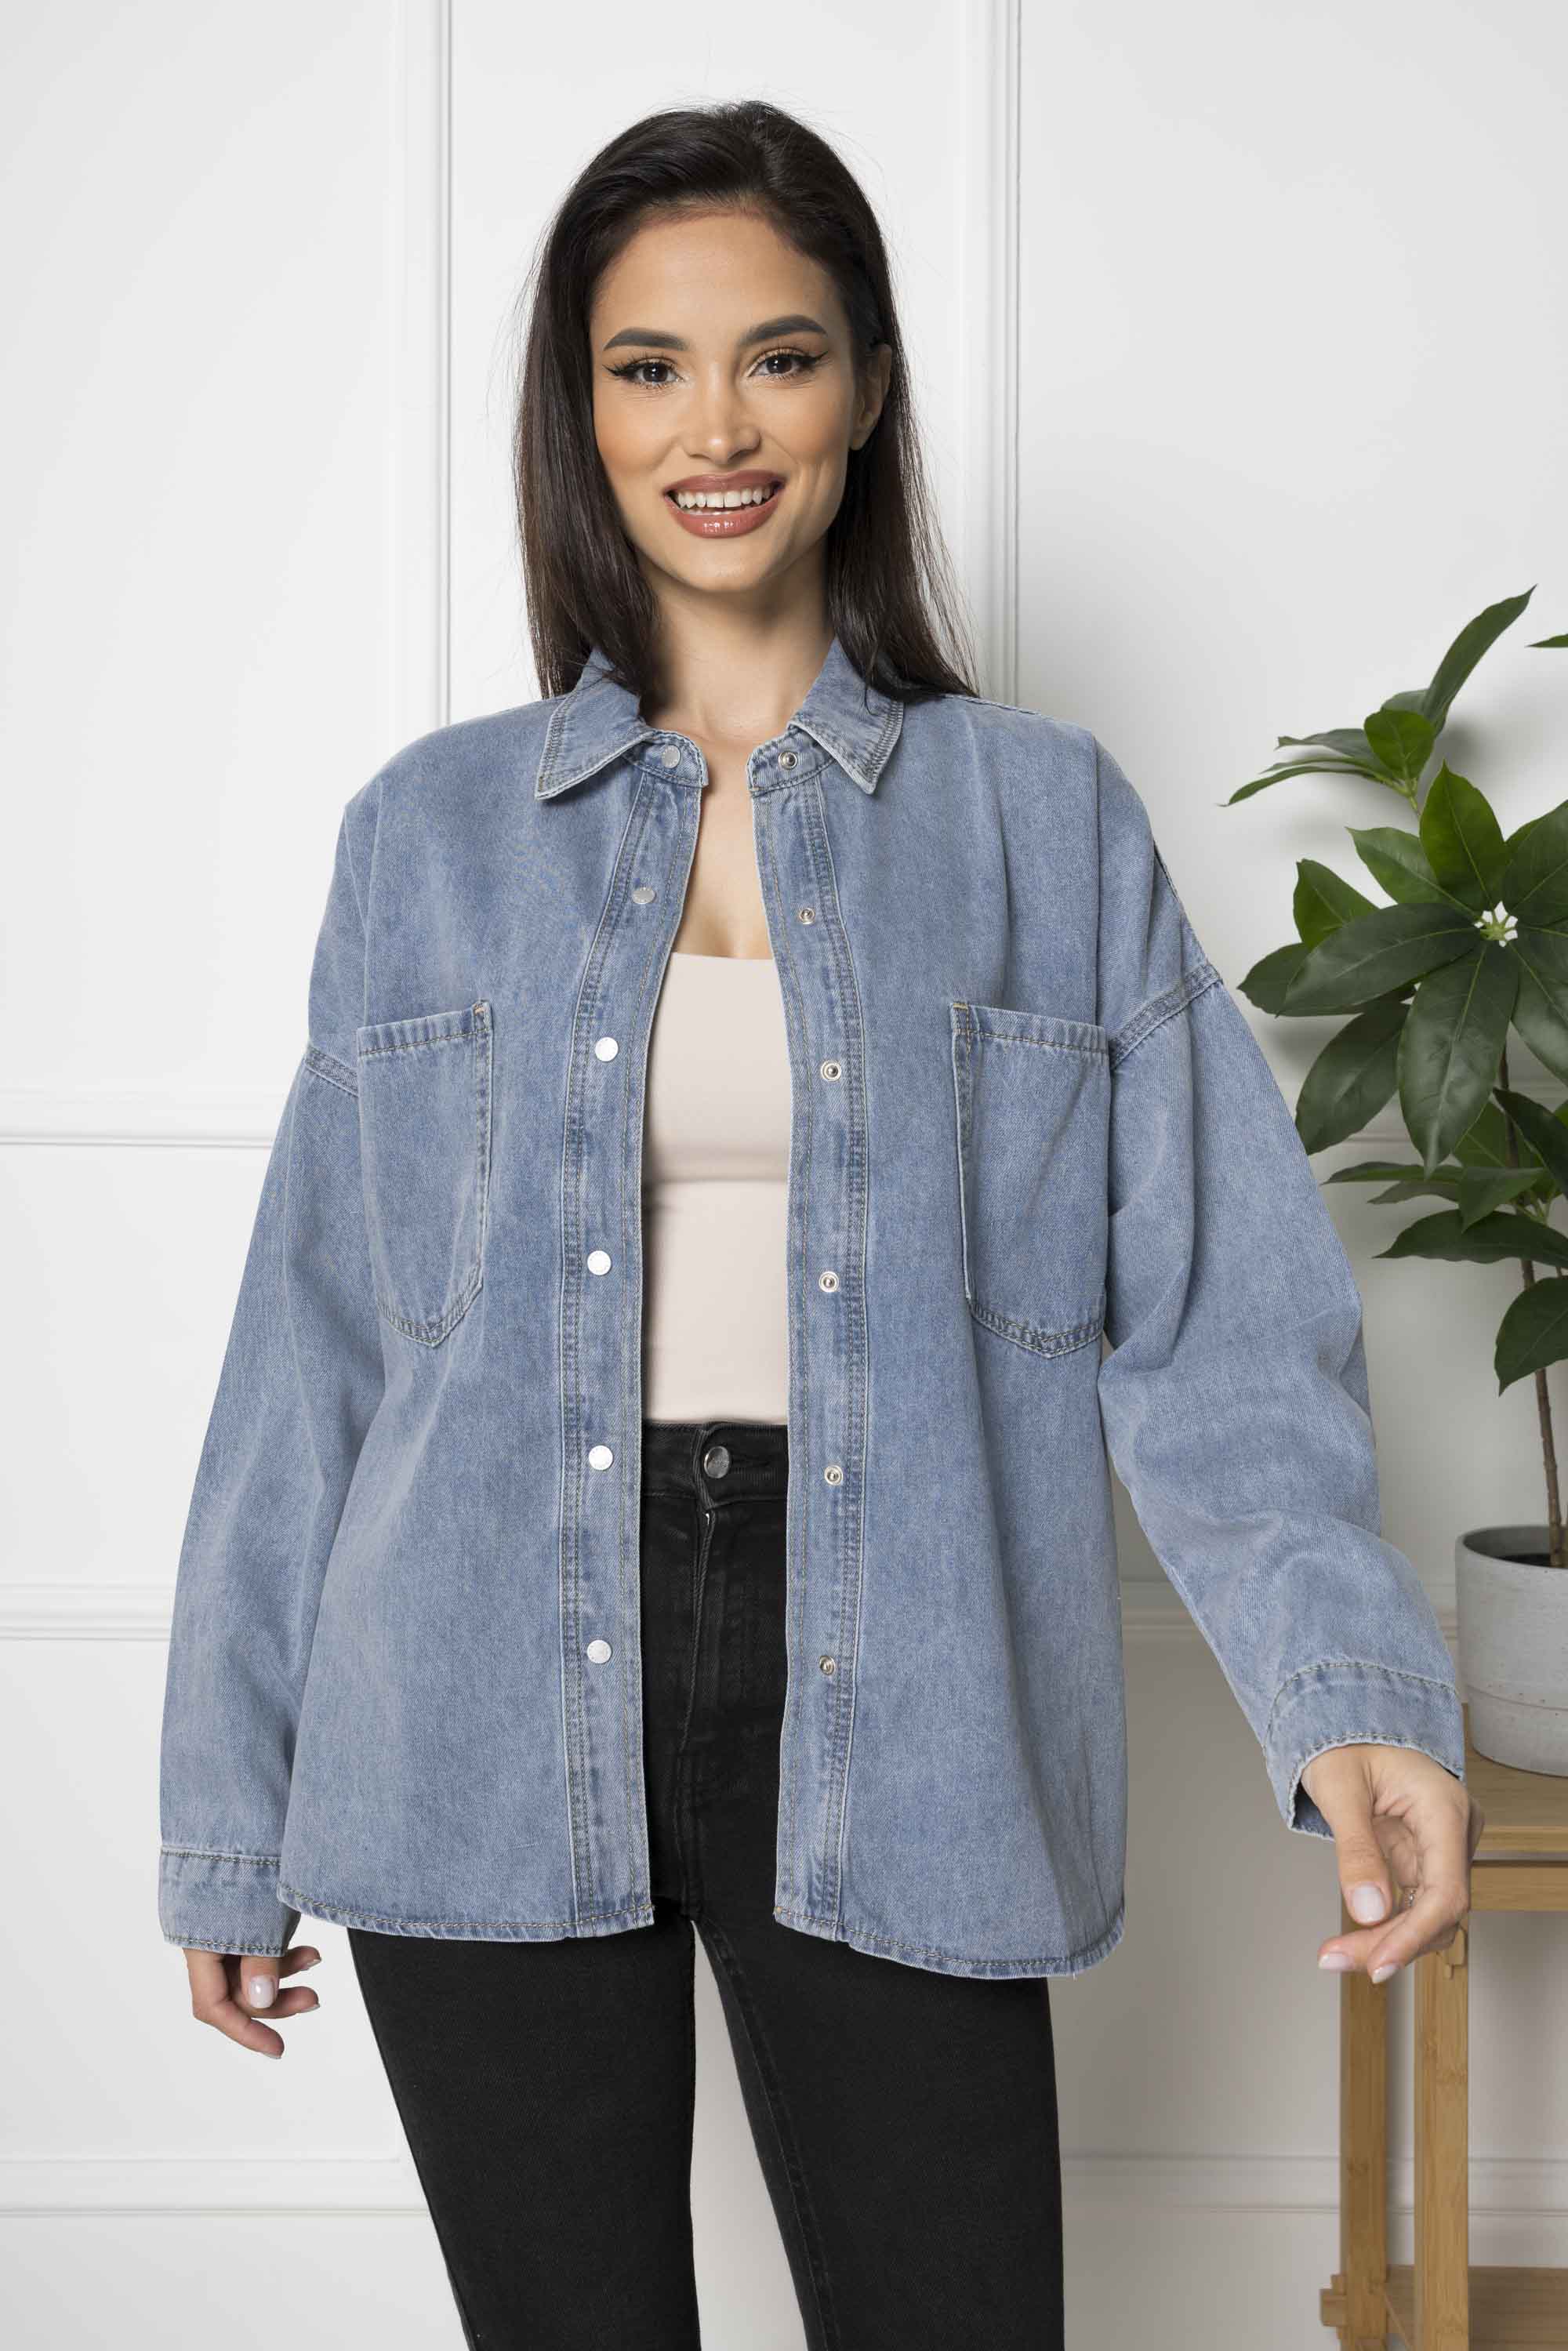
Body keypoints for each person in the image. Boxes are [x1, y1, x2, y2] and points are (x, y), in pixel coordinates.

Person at [158, 98, 1482, 2349]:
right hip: (472, 1687)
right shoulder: (431, 838)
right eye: (647, 367)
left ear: (865, 389)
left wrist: (1349, 1698)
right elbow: (321, 1348)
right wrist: (225, 1803)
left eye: (777, 356)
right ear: (582, 416)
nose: (717, 428)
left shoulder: (1043, 825)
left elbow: (1218, 1328)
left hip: (914, 1681)